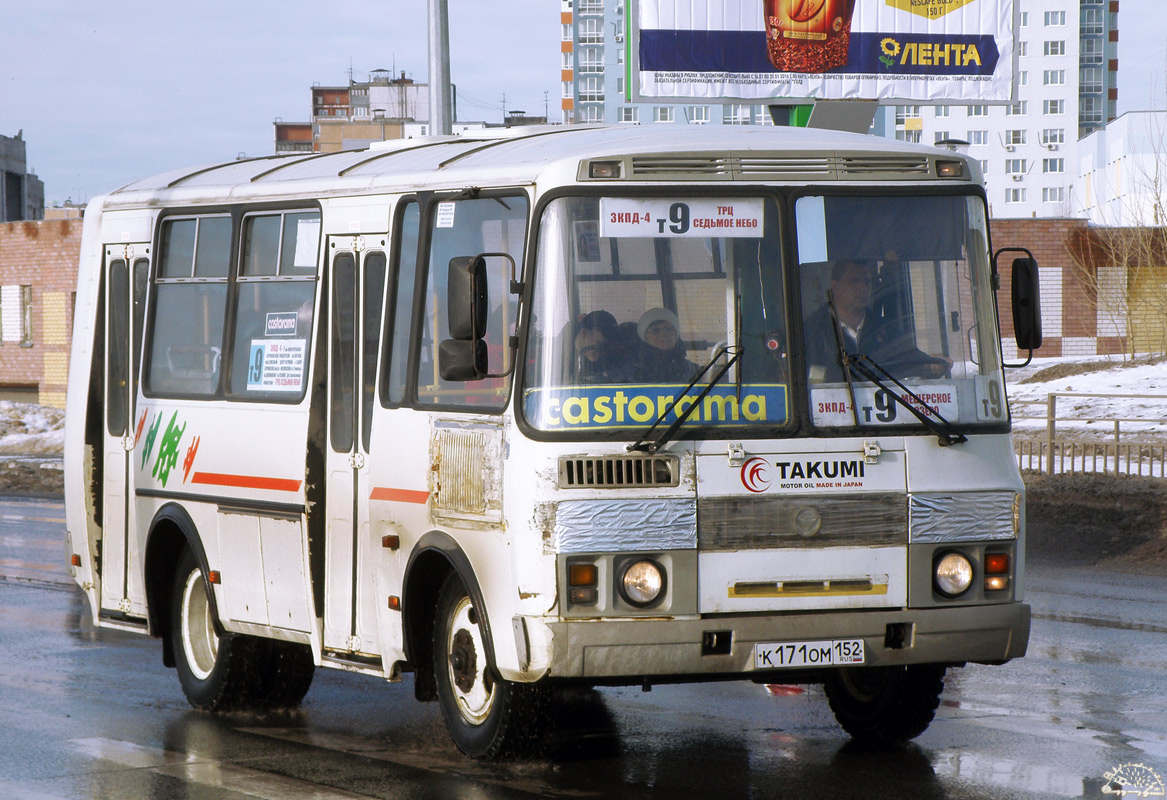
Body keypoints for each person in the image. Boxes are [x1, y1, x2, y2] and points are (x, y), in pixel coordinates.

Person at [803, 259, 950, 383]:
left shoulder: (886, 330)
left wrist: (933, 364)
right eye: (854, 281)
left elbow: (911, 360)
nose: (863, 288)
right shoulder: (811, 332)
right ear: (835, 286)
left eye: (867, 281)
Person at [635, 307, 698, 383]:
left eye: (668, 329)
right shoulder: (635, 370)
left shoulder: (693, 370)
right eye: (655, 330)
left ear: (676, 334)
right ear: (645, 337)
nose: (663, 334)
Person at [573, 309, 633, 384]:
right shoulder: (557, 356)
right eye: (599, 345)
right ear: (584, 333)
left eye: (607, 347)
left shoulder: (613, 363)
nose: (603, 352)